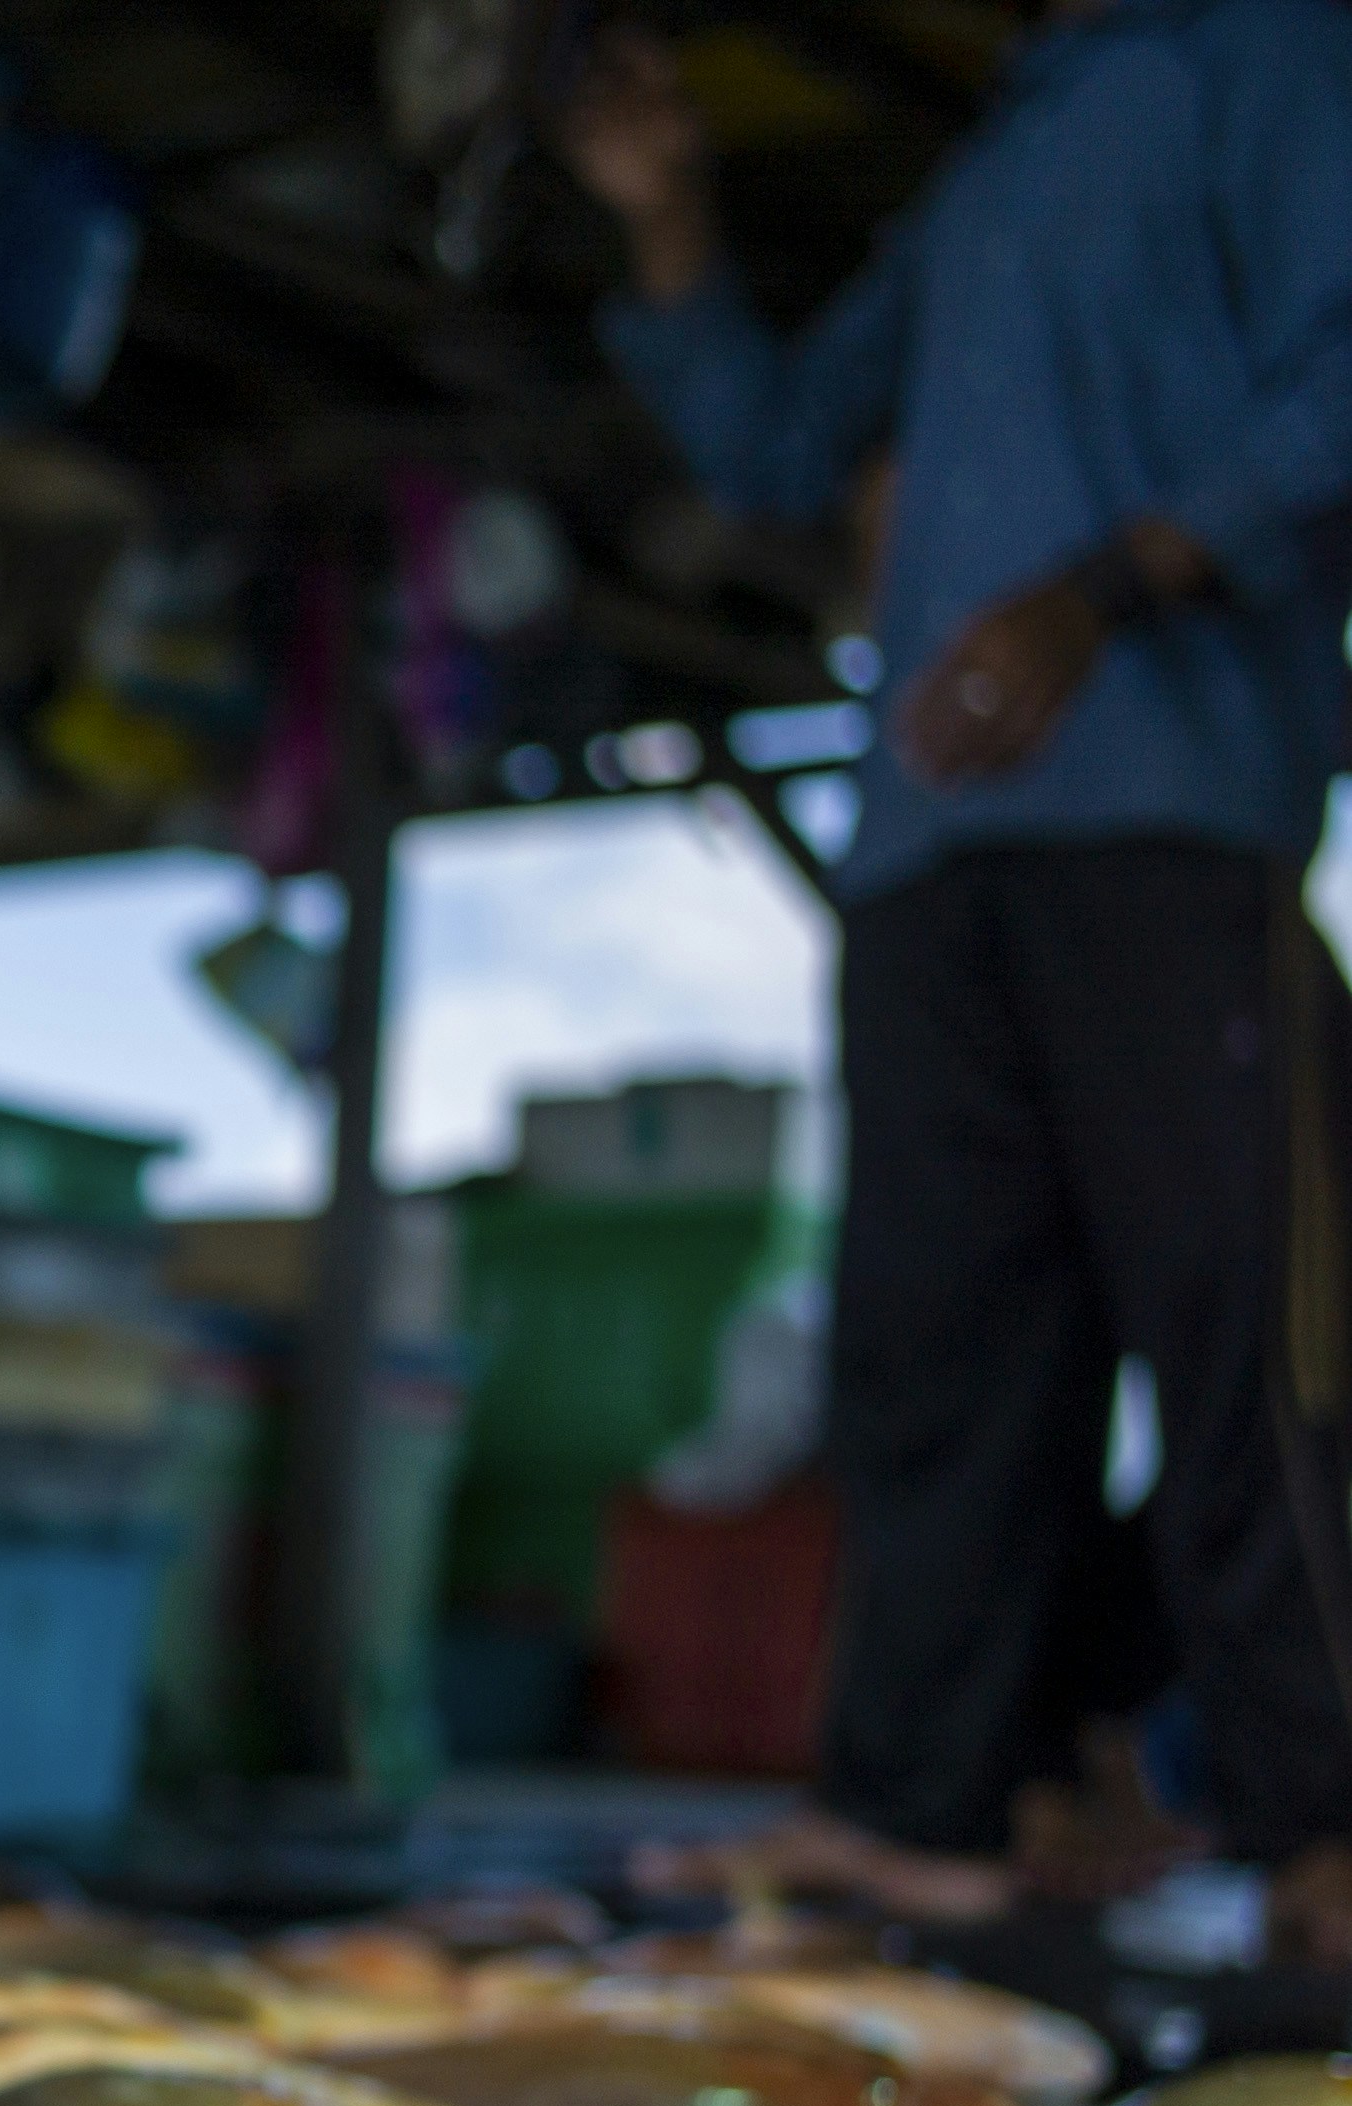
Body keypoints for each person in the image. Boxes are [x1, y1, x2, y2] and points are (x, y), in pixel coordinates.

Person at [562, 2, 1352, 1939]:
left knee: (1260, 1332)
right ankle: (926, 1805)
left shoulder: (1265, 58)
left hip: (1167, 807)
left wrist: (1102, 589)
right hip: (925, 850)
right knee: (933, 1359)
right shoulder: (984, 175)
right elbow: (770, 448)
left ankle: (1323, 1820)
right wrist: (665, 220)